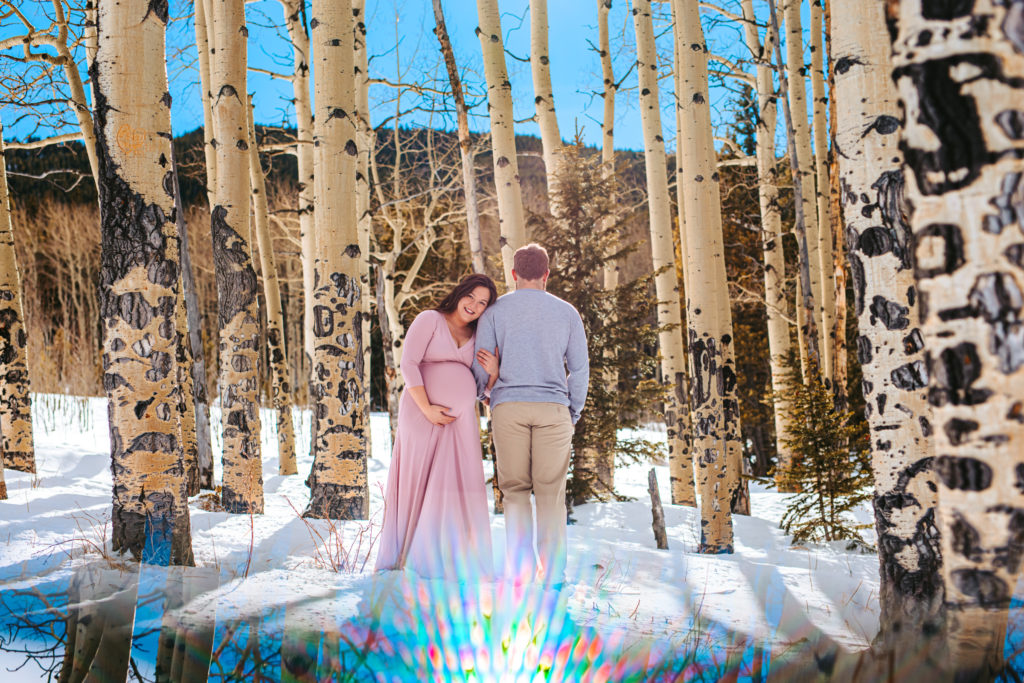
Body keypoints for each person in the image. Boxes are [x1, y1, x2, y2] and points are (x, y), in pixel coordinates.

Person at [472, 244, 589, 589]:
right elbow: (579, 369)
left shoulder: (494, 311)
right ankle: (552, 577)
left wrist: (486, 394)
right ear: (546, 274)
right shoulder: (567, 312)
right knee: (551, 493)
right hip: (554, 409)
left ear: (513, 274)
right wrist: (572, 411)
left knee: (515, 491)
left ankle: (521, 573)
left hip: (508, 407)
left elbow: (482, 362)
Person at [375, 274, 500, 580]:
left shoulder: (479, 335)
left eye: (483, 303)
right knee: (418, 480)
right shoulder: (429, 319)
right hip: (421, 412)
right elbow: (409, 364)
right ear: (460, 292)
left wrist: (494, 373)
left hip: (461, 424)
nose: (474, 305)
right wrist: (427, 408)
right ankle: (405, 557)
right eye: (472, 296)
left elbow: (484, 393)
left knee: (458, 486)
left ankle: (449, 559)